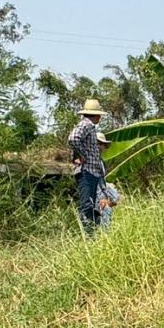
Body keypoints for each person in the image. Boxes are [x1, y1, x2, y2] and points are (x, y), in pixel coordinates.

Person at [68, 98, 107, 233]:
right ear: (96, 115)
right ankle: (86, 234)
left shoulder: (89, 126)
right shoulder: (86, 124)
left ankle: (91, 233)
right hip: (87, 171)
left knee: (91, 205)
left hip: (92, 172)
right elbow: (73, 139)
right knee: (87, 205)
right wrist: (84, 155)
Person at [94, 132, 122, 229]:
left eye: (103, 144)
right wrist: (102, 196)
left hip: (103, 189)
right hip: (99, 193)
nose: (102, 146)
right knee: (104, 217)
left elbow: (102, 179)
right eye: (100, 143)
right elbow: (96, 180)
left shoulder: (100, 160)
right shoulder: (93, 160)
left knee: (117, 198)